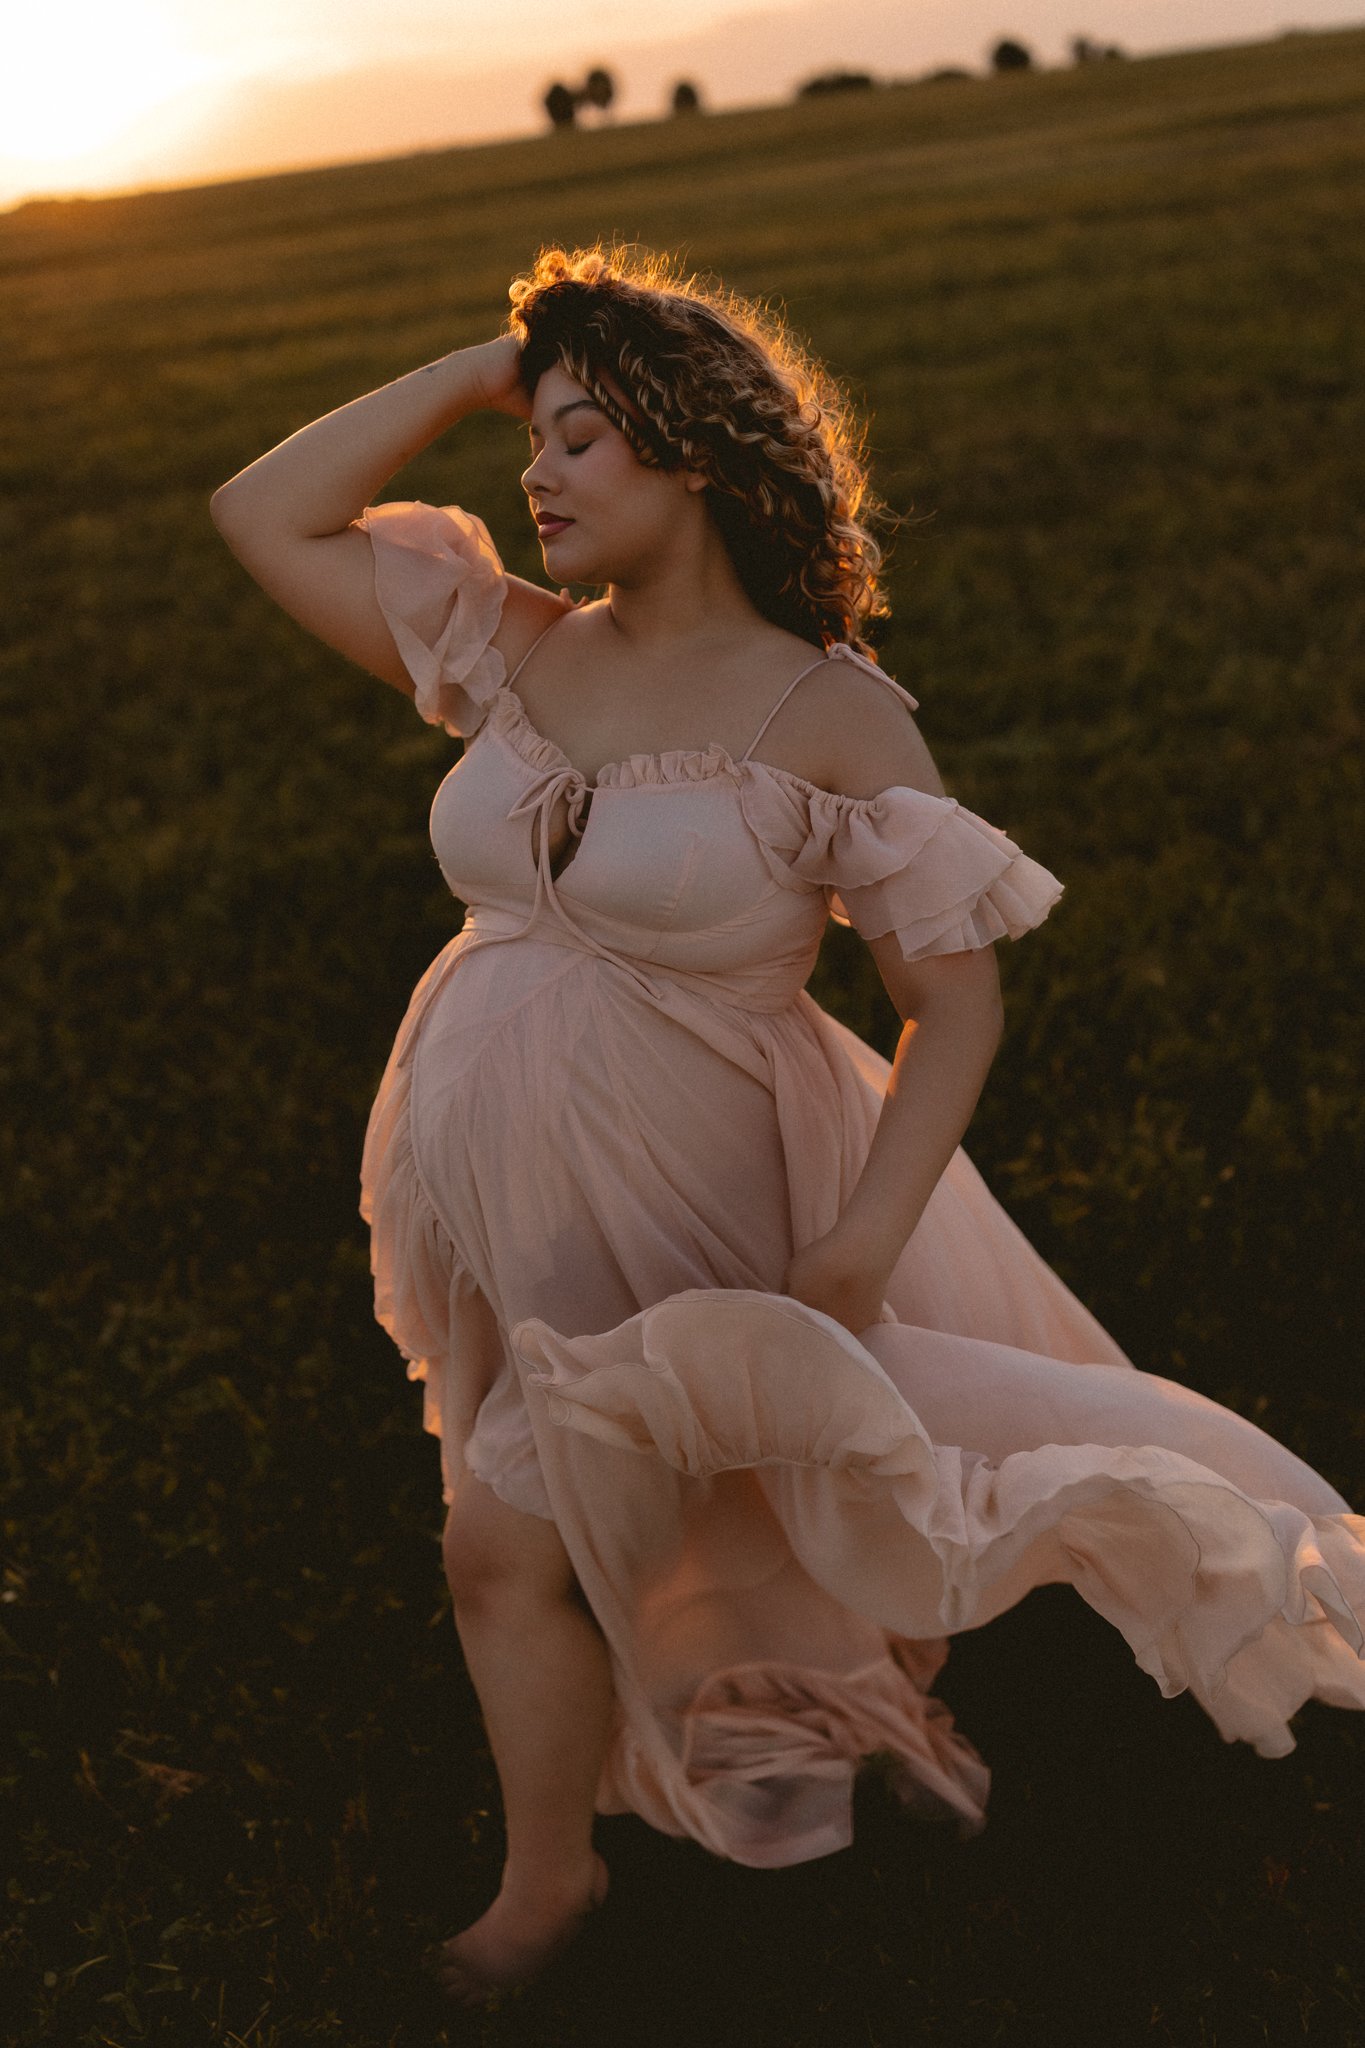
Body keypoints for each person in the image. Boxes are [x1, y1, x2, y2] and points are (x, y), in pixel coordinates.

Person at [210, 244, 1365, 2007]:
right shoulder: (514, 650)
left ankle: (545, 1896)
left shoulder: (828, 711)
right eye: (541, 436)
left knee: (586, 1520)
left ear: (690, 455)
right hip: (514, 1185)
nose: (535, 473)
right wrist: (488, 364)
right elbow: (262, 514)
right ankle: (663, 1811)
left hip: (721, 1182)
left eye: (583, 437)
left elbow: (948, 1001)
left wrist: (857, 1244)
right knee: (599, 1517)